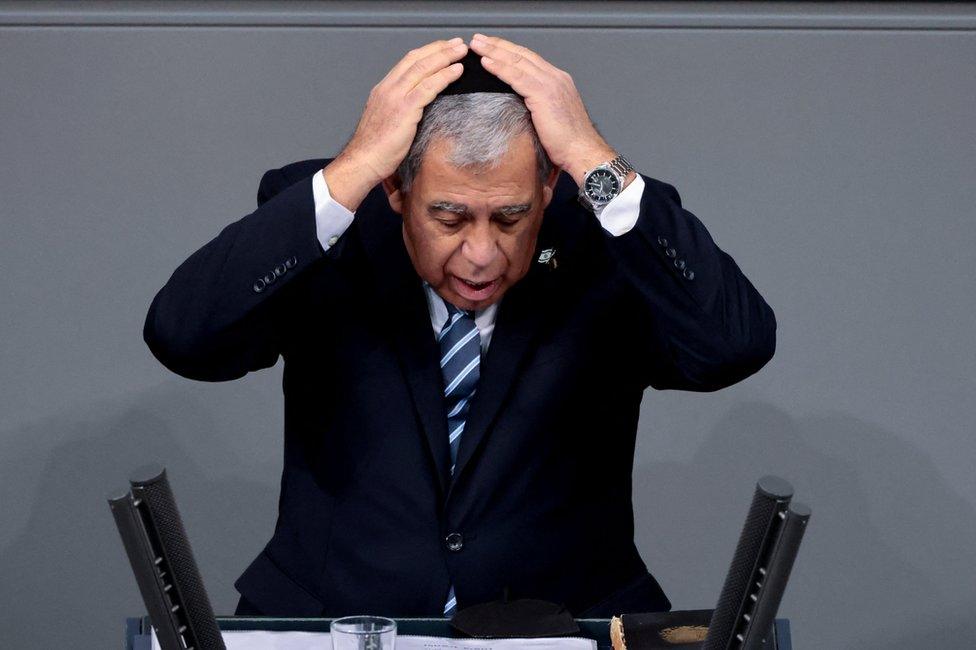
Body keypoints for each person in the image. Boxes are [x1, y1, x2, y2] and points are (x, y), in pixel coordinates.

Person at [144, 34, 776, 619]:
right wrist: (352, 168)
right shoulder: (340, 223)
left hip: (558, 622)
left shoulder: (606, 230)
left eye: (509, 218)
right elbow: (183, 337)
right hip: (337, 619)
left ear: (550, 185)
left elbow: (733, 345)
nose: (481, 254)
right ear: (397, 189)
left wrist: (591, 156)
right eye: (449, 218)